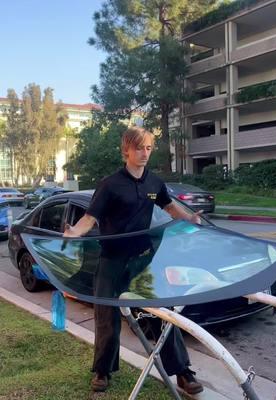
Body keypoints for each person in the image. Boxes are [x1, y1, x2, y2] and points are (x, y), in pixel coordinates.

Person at [63, 126, 204, 395]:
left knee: (164, 314)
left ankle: (183, 373)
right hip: (112, 262)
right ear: (126, 150)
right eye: (139, 147)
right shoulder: (110, 184)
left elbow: (170, 207)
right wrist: (74, 232)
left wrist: (190, 218)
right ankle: (103, 372)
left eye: (149, 148)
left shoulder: (154, 183)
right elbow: (89, 218)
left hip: (143, 261)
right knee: (107, 318)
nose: (145, 153)